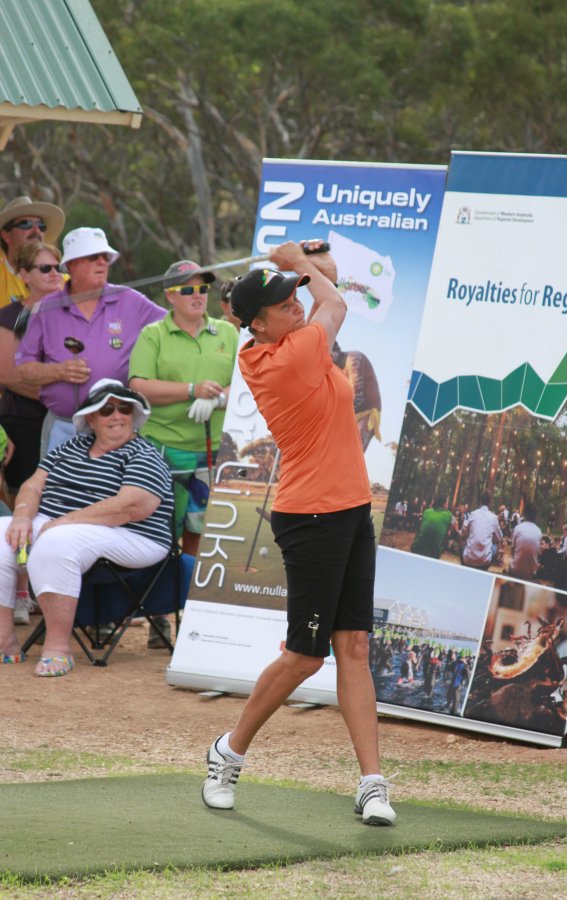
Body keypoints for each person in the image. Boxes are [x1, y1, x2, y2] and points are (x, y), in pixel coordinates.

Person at [201, 239, 396, 826]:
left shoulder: (287, 343)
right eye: (284, 303)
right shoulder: (288, 356)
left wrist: (295, 271)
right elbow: (333, 302)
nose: (295, 305)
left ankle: (371, 783)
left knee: (354, 647)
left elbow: (321, 300)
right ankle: (227, 752)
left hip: (351, 509)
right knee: (305, 657)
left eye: (293, 301)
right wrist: (298, 263)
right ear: (259, 324)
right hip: (310, 516)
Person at [0, 380, 174, 675]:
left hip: (134, 534)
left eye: (124, 408)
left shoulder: (143, 453)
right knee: (2, 534)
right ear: (91, 417)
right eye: (107, 409)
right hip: (61, 524)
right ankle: (5, 642)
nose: (117, 415)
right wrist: (21, 515)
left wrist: (66, 521)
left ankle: (58, 647)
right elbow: (33, 485)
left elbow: (132, 506)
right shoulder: (71, 446)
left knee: (57, 542)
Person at [15, 227, 166, 455]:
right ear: (72, 264)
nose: (102, 262)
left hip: (118, 426)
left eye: (105, 257)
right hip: (63, 429)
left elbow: (175, 328)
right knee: (59, 490)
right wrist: (59, 372)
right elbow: (24, 367)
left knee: (116, 491)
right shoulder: (46, 309)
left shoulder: (130, 300)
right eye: (93, 257)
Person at [129, 259, 238, 558]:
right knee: (160, 528)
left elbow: (247, 383)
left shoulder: (228, 333)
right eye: (188, 289)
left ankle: (188, 599)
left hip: (215, 450)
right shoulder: (154, 334)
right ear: (171, 295)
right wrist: (192, 391)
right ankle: (162, 601)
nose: (197, 295)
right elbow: (138, 386)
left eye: (202, 288)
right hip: (165, 447)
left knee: (200, 528)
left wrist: (217, 399)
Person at [0, 241, 63, 626]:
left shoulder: (72, 312)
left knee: (64, 503)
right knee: (25, 506)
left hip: (70, 424)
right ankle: (20, 593)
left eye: (58, 267)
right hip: (24, 422)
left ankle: (53, 590)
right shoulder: (10, 316)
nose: (55, 274)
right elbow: (9, 375)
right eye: (44, 268)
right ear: (24, 276)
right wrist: (64, 392)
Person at [0, 195, 64, 308]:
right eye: (26, 224)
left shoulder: (62, 280)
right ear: (7, 236)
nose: (36, 230)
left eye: (41, 225)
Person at [460, 490, 503, 570]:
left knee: (463, 541)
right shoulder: (493, 518)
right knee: (495, 545)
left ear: (480, 501)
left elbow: (463, 533)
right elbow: (499, 539)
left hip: (468, 559)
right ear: (490, 502)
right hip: (484, 562)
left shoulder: (473, 514)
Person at [508, 502, 542, 581]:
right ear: (535, 516)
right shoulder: (539, 531)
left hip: (516, 570)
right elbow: (537, 553)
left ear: (524, 514)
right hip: (531, 573)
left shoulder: (518, 528)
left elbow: (513, 551)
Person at [411, 495, 452, 559]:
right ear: (444, 504)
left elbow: (419, 528)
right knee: (447, 532)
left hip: (416, 548)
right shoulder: (448, 515)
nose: (448, 505)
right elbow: (448, 532)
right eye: (447, 503)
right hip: (434, 553)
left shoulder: (426, 511)